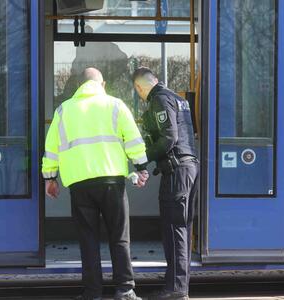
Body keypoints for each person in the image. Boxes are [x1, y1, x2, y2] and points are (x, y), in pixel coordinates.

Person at [42, 68, 149, 300]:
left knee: (88, 239)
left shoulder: (64, 110)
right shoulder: (115, 104)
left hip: (80, 184)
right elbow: (133, 138)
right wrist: (141, 167)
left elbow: (51, 148)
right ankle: (124, 290)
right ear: (102, 84)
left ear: (80, 85)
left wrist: (50, 178)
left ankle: (92, 293)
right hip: (112, 181)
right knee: (119, 236)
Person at [131, 67, 199, 300]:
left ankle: (175, 289)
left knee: (174, 230)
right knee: (183, 229)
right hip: (188, 167)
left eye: (138, 91)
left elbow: (169, 137)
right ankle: (179, 285)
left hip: (178, 171)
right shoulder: (177, 98)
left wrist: (143, 158)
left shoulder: (159, 99)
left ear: (140, 87)